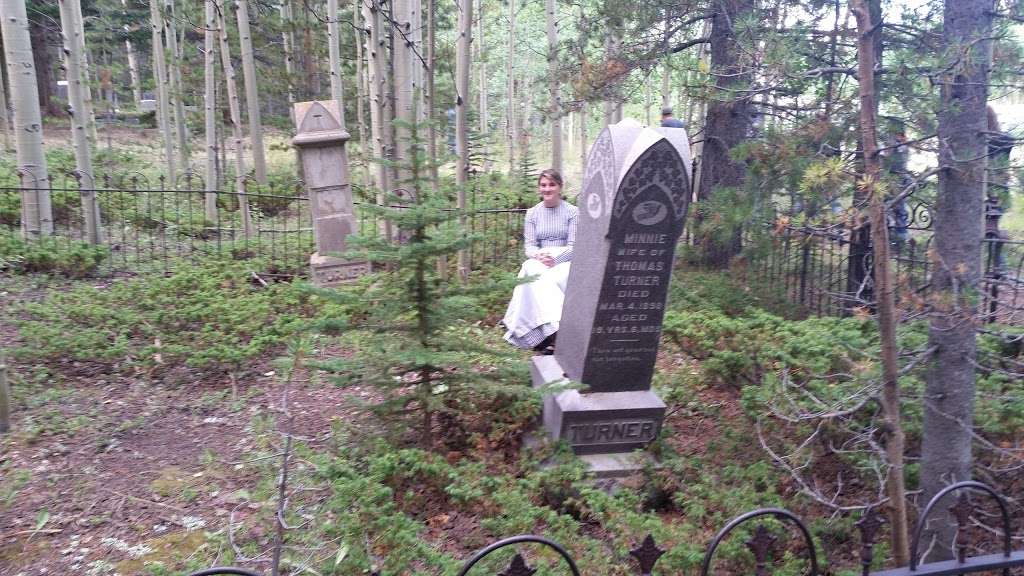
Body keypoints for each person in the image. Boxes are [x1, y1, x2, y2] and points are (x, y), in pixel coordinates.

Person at [502, 169, 578, 353]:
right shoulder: (532, 213)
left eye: (552, 185)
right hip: (541, 259)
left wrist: (556, 258)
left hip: (564, 262)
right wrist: (539, 256)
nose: (547, 189)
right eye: (543, 185)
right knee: (530, 270)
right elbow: (529, 247)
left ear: (560, 187)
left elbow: (574, 246)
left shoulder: (573, 212)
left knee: (545, 280)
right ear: (539, 188)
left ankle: (556, 333)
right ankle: (548, 334)